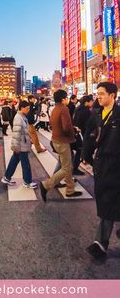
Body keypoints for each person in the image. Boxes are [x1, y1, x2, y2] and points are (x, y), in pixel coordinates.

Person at [86, 82, 120, 259]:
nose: (98, 96)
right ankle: (100, 243)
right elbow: (90, 134)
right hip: (103, 165)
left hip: (116, 165)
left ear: (112, 95)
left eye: (101, 94)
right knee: (107, 201)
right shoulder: (96, 113)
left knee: (109, 202)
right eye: (97, 94)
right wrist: (86, 152)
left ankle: (100, 243)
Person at [39, 89, 82, 202]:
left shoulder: (55, 109)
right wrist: (74, 132)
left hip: (56, 139)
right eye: (66, 97)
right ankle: (46, 185)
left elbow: (54, 125)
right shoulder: (64, 109)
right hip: (63, 141)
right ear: (63, 99)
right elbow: (66, 127)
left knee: (66, 166)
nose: (67, 99)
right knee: (67, 168)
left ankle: (70, 190)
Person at [1, 100, 37, 189]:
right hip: (21, 145)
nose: (28, 110)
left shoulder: (22, 116)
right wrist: (16, 146)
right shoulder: (18, 118)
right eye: (27, 108)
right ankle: (27, 182)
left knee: (14, 161)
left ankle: (6, 177)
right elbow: (16, 133)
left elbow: (24, 132)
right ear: (22, 108)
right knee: (26, 164)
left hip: (22, 143)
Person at [72, 95, 93, 175]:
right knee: (80, 151)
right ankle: (75, 168)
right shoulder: (86, 111)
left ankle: (83, 161)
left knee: (79, 150)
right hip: (82, 133)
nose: (92, 103)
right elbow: (88, 124)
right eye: (91, 101)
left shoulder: (78, 108)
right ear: (87, 102)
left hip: (77, 132)